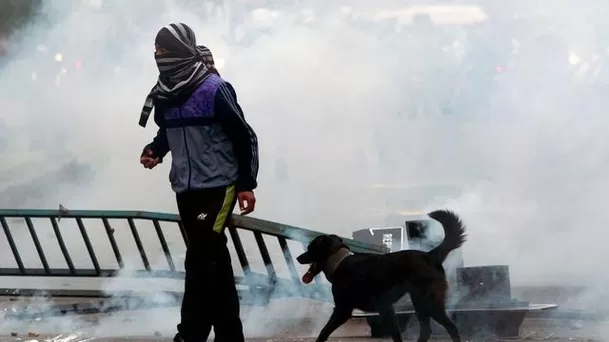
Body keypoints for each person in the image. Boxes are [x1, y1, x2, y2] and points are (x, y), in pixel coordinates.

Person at [139, 22, 259, 342]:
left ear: (178, 51)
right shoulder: (165, 92)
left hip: (220, 185)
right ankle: (221, 333)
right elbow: (169, 131)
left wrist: (247, 183)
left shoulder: (214, 89)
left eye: (162, 50)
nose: (157, 55)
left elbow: (243, 135)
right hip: (186, 188)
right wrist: (155, 150)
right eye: (156, 49)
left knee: (202, 257)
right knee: (208, 260)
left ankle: (195, 332)